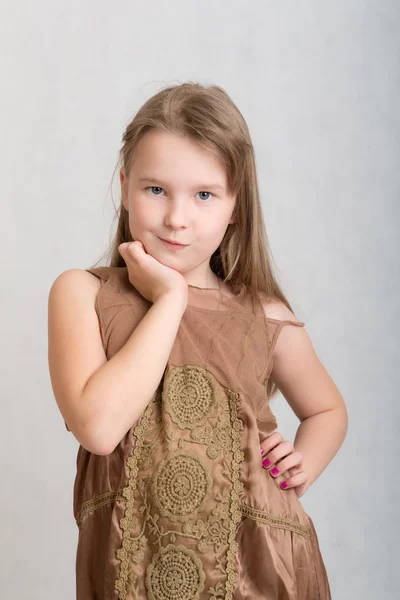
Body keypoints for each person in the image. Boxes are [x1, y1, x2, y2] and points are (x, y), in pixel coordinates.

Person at [48, 82, 347, 599]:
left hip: (260, 571)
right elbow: (98, 427)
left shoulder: (264, 316)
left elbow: (327, 410)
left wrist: (303, 463)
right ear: (125, 187)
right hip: (132, 572)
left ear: (235, 207)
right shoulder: (82, 293)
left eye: (204, 195)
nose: (176, 218)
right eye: (155, 189)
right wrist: (169, 301)